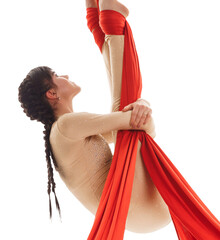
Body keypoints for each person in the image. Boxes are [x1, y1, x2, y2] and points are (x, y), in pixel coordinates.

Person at [17, 0, 171, 235]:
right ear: (52, 93)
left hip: (139, 212)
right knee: (125, 116)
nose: (65, 75)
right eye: (57, 75)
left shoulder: (66, 133)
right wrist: (142, 106)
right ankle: (106, 26)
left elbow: (132, 120)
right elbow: (135, 121)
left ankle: (105, 26)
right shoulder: (65, 127)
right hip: (135, 205)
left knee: (123, 114)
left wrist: (142, 110)